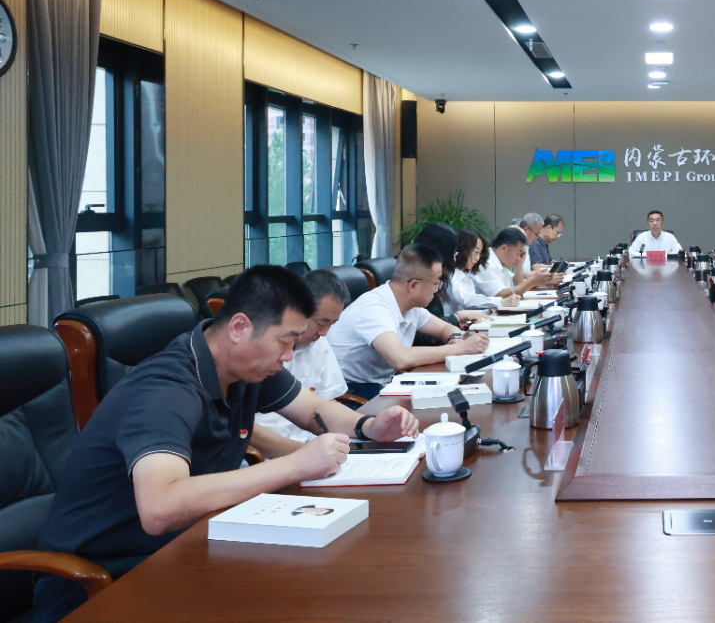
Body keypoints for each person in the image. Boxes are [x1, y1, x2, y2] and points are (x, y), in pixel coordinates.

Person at [32, 266, 420, 622]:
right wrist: (296, 464)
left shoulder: (246, 367)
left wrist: (370, 427)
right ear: (239, 327)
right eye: (285, 342)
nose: (289, 356)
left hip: (186, 548)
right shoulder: (166, 391)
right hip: (104, 581)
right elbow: (160, 508)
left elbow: (314, 410)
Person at [328, 243, 489, 399]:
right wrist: (460, 349)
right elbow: (400, 359)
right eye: (435, 283)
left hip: (384, 382)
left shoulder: (411, 307)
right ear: (413, 285)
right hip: (352, 392)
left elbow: (444, 329)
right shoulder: (375, 309)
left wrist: (456, 338)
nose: (437, 289)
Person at [251, 270, 353, 457]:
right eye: (321, 323)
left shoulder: (319, 343)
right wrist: (305, 454)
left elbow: (326, 402)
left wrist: (367, 425)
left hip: (309, 444)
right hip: (263, 456)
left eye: (332, 324)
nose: (324, 333)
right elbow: (243, 429)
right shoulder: (256, 347)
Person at [442, 228, 517, 317]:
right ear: (464, 250)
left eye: (480, 253)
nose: (477, 258)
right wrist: (500, 302)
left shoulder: (467, 277)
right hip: (449, 323)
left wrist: (490, 310)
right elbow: (466, 300)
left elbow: (472, 309)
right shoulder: (451, 274)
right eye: (476, 252)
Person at [474, 227, 554, 298]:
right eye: (518, 253)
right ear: (504, 248)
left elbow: (517, 288)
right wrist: (532, 281)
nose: (518, 258)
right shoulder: (487, 263)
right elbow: (501, 295)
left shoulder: (500, 262)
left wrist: (518, 266)